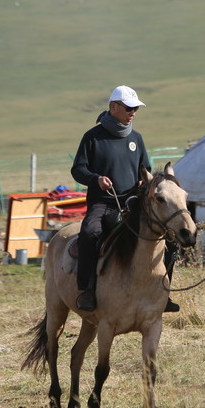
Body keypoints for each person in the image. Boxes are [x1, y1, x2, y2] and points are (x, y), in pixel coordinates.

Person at [71, 85, 178, 313]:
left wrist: (144, 182)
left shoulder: (136, 138)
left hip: (133, 202)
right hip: (102, 202)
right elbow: (78, 169)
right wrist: (96, 178)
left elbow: (145, 168)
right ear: (113, 107)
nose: (133, 113)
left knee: (168, 237)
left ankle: (163, 292)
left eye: (135, 109)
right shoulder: (92, 137)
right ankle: (88, 289)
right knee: (90, 233)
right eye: (129, 108)